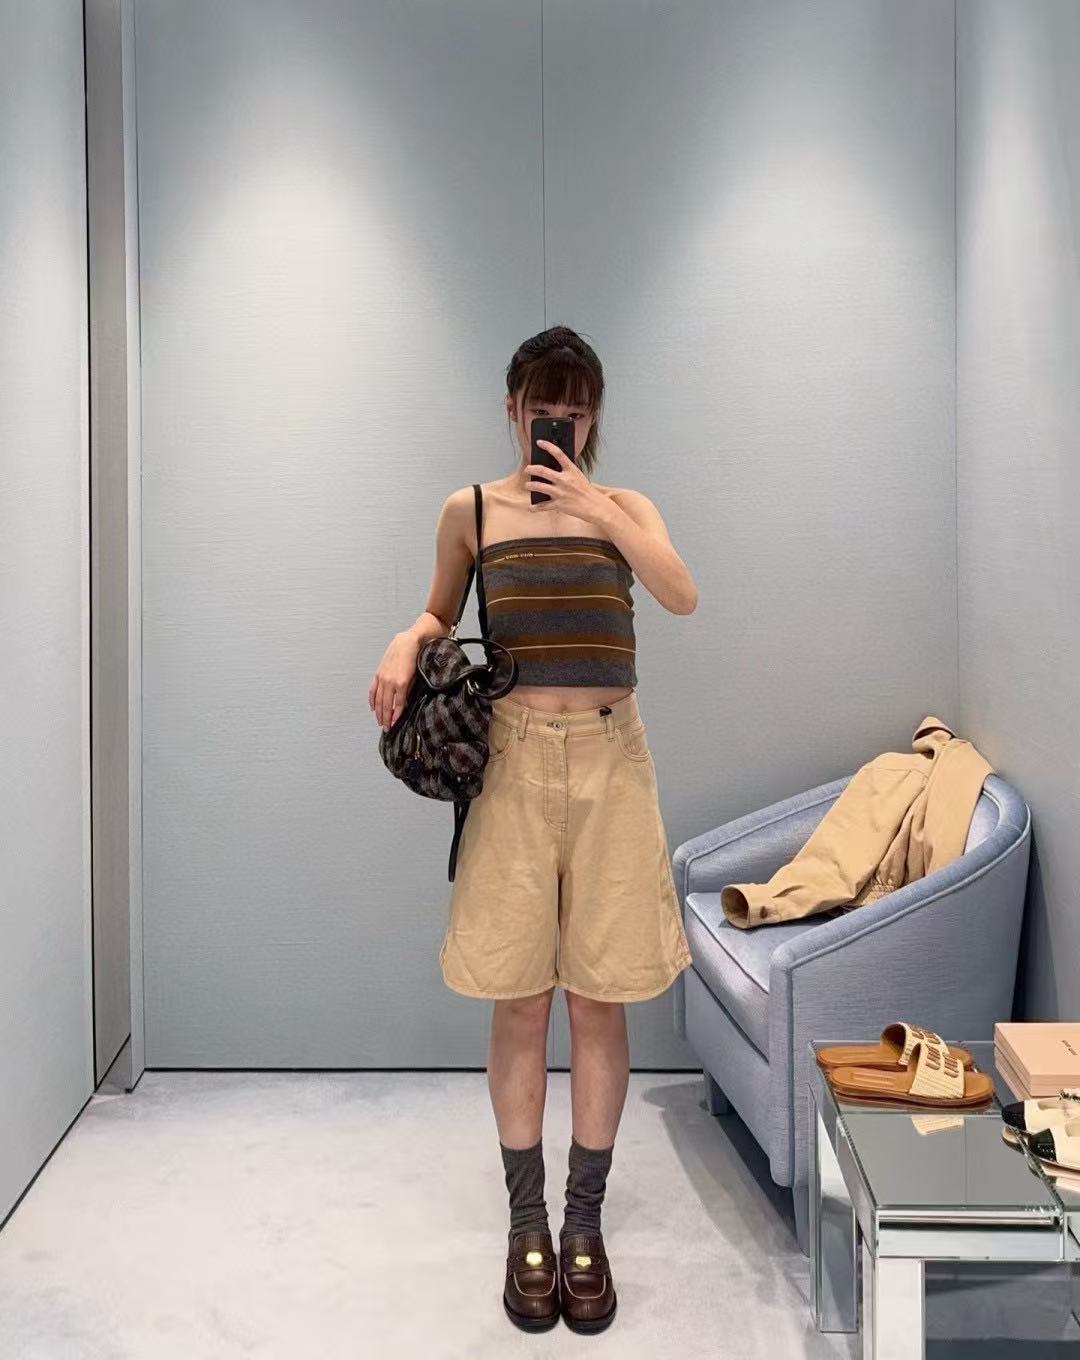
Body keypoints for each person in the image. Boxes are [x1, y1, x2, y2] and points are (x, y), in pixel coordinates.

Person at [368, 325, 697, 1334]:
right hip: (510, 761)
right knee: (519, 1000)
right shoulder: (470, 511)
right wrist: (405, 636)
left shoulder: (625, 507)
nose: (560, 421)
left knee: (599, 999)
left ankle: (583, 1222)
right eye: (543, 404)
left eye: (578, 408)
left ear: (593, 416)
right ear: (511, 408)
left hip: (611, 761)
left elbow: (681, 594)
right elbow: (438, 612)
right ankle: (528, 1227)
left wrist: (598, 508)